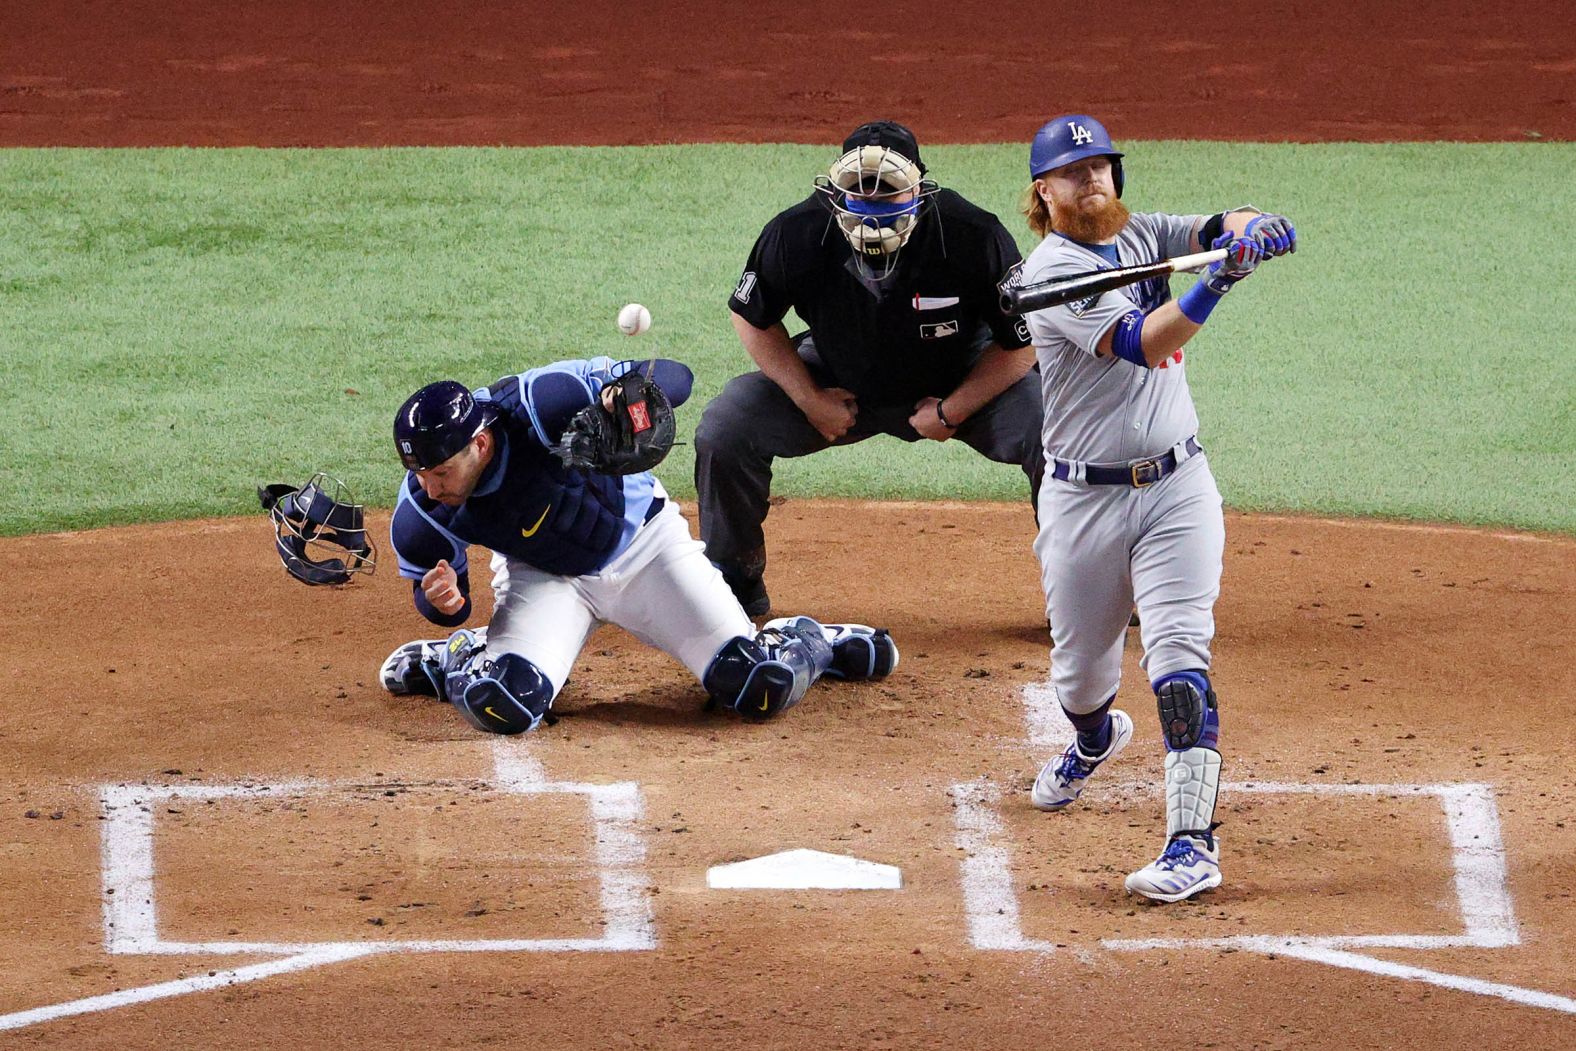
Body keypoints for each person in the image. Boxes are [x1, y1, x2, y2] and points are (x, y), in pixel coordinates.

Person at [1015, 114, 1296, 902]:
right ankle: (1094, 737)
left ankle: (1191, 844)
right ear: (1044, 190)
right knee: (1080, 682)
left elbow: (1216, 223)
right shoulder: (1049, 275)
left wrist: (1252, 228)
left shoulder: (1142, 235)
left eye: (1101, 167)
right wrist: (1221, 280)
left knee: (1178, 661)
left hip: (1178, 486)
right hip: (1082, 501)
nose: (1092, 181)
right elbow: (1141, 339)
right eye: (1073, 172)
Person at [377, 357, 899, 734]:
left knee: (757, 685)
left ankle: (810, 641)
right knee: (503, 707)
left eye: (440, 471)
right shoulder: (423, 509)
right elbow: (441, 598)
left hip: (647, 549)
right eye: (418, 473)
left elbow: (674, 377)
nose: (429, 486)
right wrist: (446, 604)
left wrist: (624, 396)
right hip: (545, 578)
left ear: (481, 443)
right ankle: (458, 660)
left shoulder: (542, 401)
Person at [696, 119, 1045, 615]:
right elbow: (750, 317)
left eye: (889, 193)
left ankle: (1082, 594)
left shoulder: (972, 233)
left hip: (958, 375)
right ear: (836, 193)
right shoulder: (798, 231)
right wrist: (809, 399)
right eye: (859, 194)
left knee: (1056, 432)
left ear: (919, 191)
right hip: (839, 371)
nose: (873, 206)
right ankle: (734, 584)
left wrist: (953, 409)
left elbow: (1022, 344)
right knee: (726, 427)